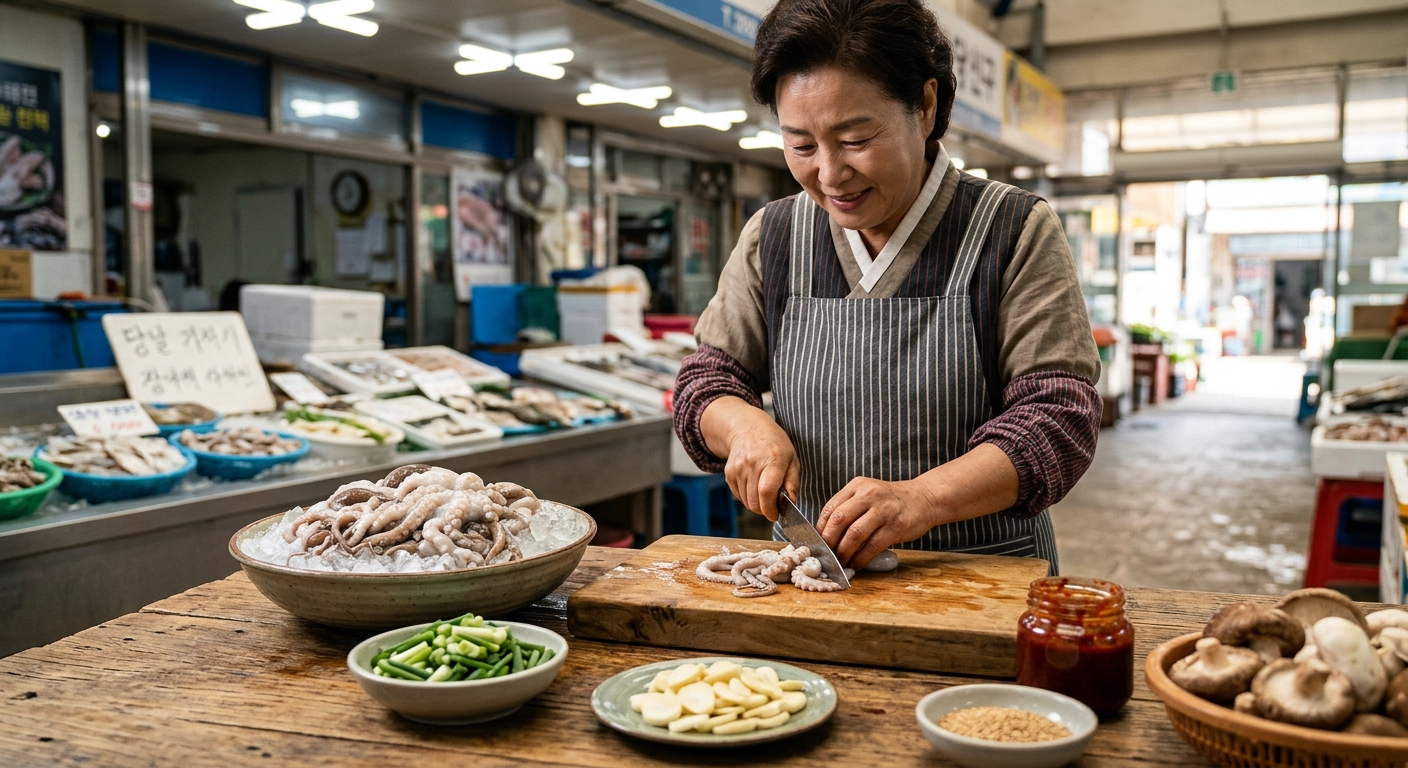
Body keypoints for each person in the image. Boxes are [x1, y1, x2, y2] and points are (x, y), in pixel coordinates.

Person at [672, 0, 1102, 572]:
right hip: (816, 574)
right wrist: (743, 426)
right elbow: (706, 381)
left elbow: (1058, 417)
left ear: (924, 106)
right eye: (801, 145)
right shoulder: (773, 236)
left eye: (854, 139)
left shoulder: (1012, 229)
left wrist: (920, 500)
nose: (828, 174)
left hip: (981, 581)